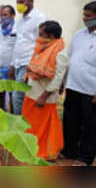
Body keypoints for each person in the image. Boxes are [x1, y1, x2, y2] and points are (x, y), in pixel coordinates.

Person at [22, 21, 67, 160]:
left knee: (43, 126)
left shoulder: (60, 52)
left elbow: (58, 78)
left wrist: (44, 96)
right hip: (32, 93)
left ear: (51, 35)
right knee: (30, 123)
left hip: (44, 96)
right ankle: (29, 148)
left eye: (41, 34)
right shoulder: (42, 48)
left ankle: (44, 153)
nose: (38, 37)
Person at [61, 1, 96, 166]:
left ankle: (85, 157)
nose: (84, 18)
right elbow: (70, 59)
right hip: (73, 86)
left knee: (90, 125)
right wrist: (63, 82)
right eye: (84, 15)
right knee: (70, 122)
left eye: (88, 16)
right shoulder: (78, 35)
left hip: (91, 90)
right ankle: (69, 151)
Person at [10, 0, 47, 115]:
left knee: (18, 96)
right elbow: (17, 42)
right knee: (17, 96)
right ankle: (20, 123)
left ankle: (20, 127)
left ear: (31, 1)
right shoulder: (20, 20)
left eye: (22, 2)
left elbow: (43, 43)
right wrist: (12, 64)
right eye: (17, 2)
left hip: (28, 63)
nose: (19, 5)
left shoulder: (39, 18)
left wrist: (34, 65)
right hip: (17, 63)